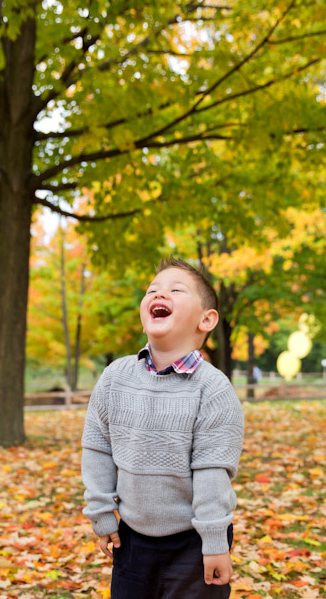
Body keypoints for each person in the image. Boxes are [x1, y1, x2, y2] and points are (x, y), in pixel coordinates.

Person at [81, 257, 244, 599]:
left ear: (206, 319)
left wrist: (215, 542)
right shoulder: (115, 378)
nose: (160, 293)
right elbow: (98, 447)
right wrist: (100, 514)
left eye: (176, 289)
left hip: (194, 541)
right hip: (133, 537)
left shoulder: (212, 389)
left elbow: (212, 470)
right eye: (153, 290)